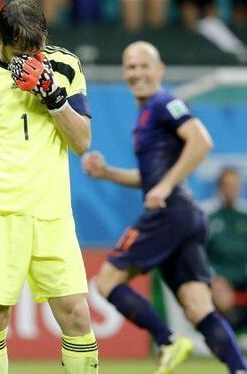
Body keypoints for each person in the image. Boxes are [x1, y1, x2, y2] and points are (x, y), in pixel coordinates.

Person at [0, 1, 97, 373]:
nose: (30, 61)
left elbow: (82, 142)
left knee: (77, 315)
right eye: (20, 52)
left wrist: (54, 98)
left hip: (52, 213)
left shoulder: (65, 66)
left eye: (36, 50)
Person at [82, 41, 247, 374]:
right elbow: (149, 177)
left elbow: (201, 141)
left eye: (144, 66)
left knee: (107, 281)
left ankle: (168, 340)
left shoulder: (164, 102)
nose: (137, 73)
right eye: (130, 67)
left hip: (169, 214)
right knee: (198, 306)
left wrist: (167, 185)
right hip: (184, 216)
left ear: (160, 70)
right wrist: (108, 173)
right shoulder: (146, 114)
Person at [203, 167, 247, 330]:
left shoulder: (244, 215)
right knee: (220, 293)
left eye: (236, 186)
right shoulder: (207, 215)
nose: (232, 190)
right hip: (219, 278)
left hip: (244, 276)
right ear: (220, 187)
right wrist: (212, 277)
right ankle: (225, 336)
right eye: (228, 185)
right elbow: (198, 253)